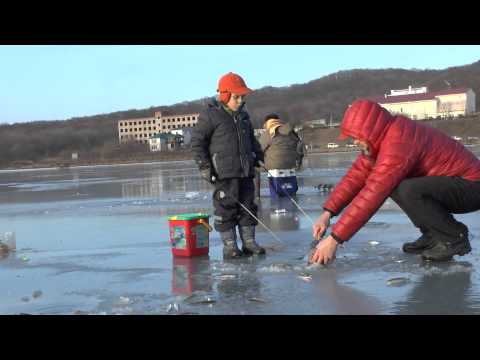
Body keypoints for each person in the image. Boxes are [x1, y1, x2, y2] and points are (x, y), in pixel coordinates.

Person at [310, 99, 480, 265]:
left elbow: (373, 193)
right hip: (454, 184)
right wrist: (328, 213)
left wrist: (334, 240)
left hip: (471, 187)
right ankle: (433, 235)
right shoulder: (381, 140)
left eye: (356, 136)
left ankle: (453, 237)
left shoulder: (399, 140)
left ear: (368, 131)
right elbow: (356, 175)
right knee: (400, 186)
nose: (354, 142)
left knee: (407, 189)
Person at [191, 72, 265, 259]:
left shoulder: (244, 117)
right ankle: (230, 246)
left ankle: (249, 243)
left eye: (242, 96)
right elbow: (197, 142)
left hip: (246, 171)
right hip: (223, 172)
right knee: (226, 208)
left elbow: (251, 140)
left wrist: (258, 155)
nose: (240, 100)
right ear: (224, 95)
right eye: (236, 97)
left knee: (248, 206)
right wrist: (204, 166)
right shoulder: (210, 115)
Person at [259, 113, 304, 198]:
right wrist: (299, 161)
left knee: (254, 168)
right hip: (291, 164)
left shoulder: (269, 133)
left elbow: (259, 149)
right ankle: (291, 192)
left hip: (274, 166)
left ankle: (256, 196)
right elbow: (300, 147)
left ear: (267, 123)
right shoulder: (292, 132)